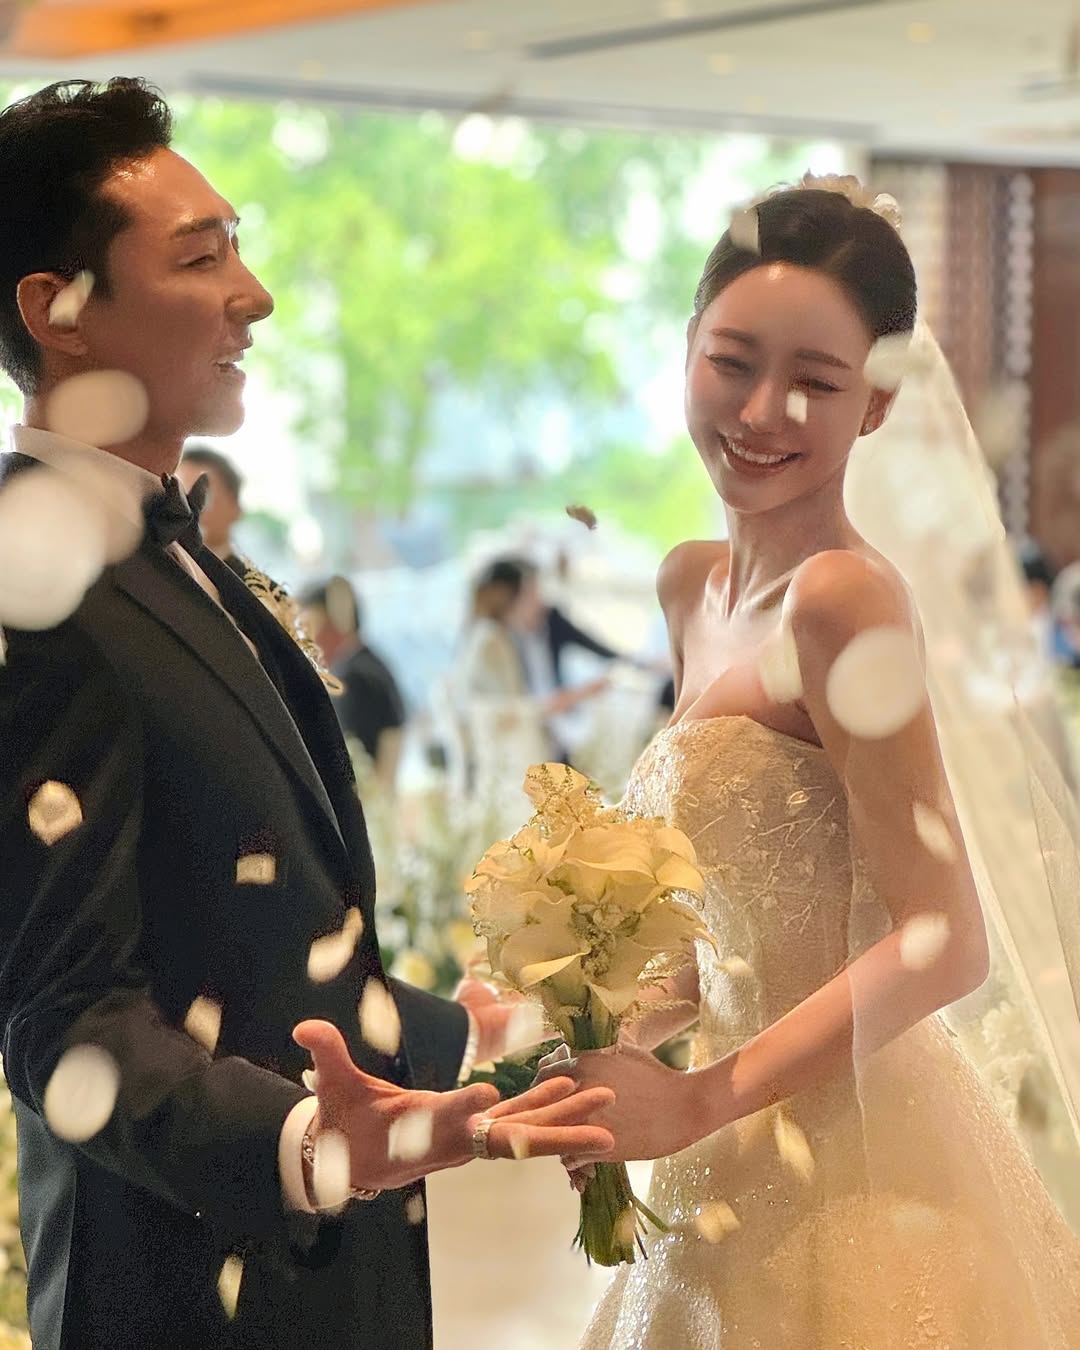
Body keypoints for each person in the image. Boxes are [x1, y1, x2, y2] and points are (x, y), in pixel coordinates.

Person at [0, 78, 613, 1350]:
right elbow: (66, 1018)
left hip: (319, 1277)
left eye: (239, 246)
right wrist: (299, 1139)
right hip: (181, 1292)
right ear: (58, 310)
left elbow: (248, 934)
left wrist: (485, 1034)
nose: (256, 294)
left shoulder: (171, 550)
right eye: (201, 258)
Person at [536, 177, 1080, 1347]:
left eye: (817, 382)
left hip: (857, 1154)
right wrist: (597, 1031)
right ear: (688, 347)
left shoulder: (843, 601)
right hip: (722, 1153)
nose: (762, 411)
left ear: (876, 404)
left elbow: (944, 938)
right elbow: (735, 931)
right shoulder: (691, 585)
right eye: (732, 362)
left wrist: (696, 1098)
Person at [300, 576, 407, 791]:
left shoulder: (350, 679)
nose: (306, 638)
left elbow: (350, 768)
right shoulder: (373, 665)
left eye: (311, 625)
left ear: (337, 621)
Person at [177, 443, 247, 576]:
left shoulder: (253, 584)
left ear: (235, 509)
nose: (188, 508)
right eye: (180, 496)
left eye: (203, 498)